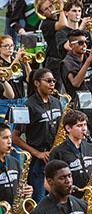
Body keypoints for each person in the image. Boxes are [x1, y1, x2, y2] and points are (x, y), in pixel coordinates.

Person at [12, 68, 62, 202]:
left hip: (55, 157)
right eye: (48, 81)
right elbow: (15, 137)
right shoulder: (27, 105)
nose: (52, 84)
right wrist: (37, 153)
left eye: (54, 81)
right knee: (39, 200)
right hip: (37, 161)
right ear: (37, 83)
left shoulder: (57, 102)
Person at [49, 109, 92, 198]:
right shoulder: (58, 152)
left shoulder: (91, 148)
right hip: (70, 198)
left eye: (85, 125)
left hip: (90, 197)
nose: (84, 129)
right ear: (68, 128)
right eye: (79, 126)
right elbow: (47, 183)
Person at [37, 0, 68, 90]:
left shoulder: (61, 17)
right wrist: (61, 8)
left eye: (51, 6)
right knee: (55, 90)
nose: (50, 10)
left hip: (65, 59)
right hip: (54, 61)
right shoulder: (45, 24)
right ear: (43, 13)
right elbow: (63, 25)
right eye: (46, 9)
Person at [0, 122, 33, 206]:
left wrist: (27, 192)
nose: (9, 141)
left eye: (10, 137)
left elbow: (20, 187)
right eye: (5, 138)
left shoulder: (14, 162)